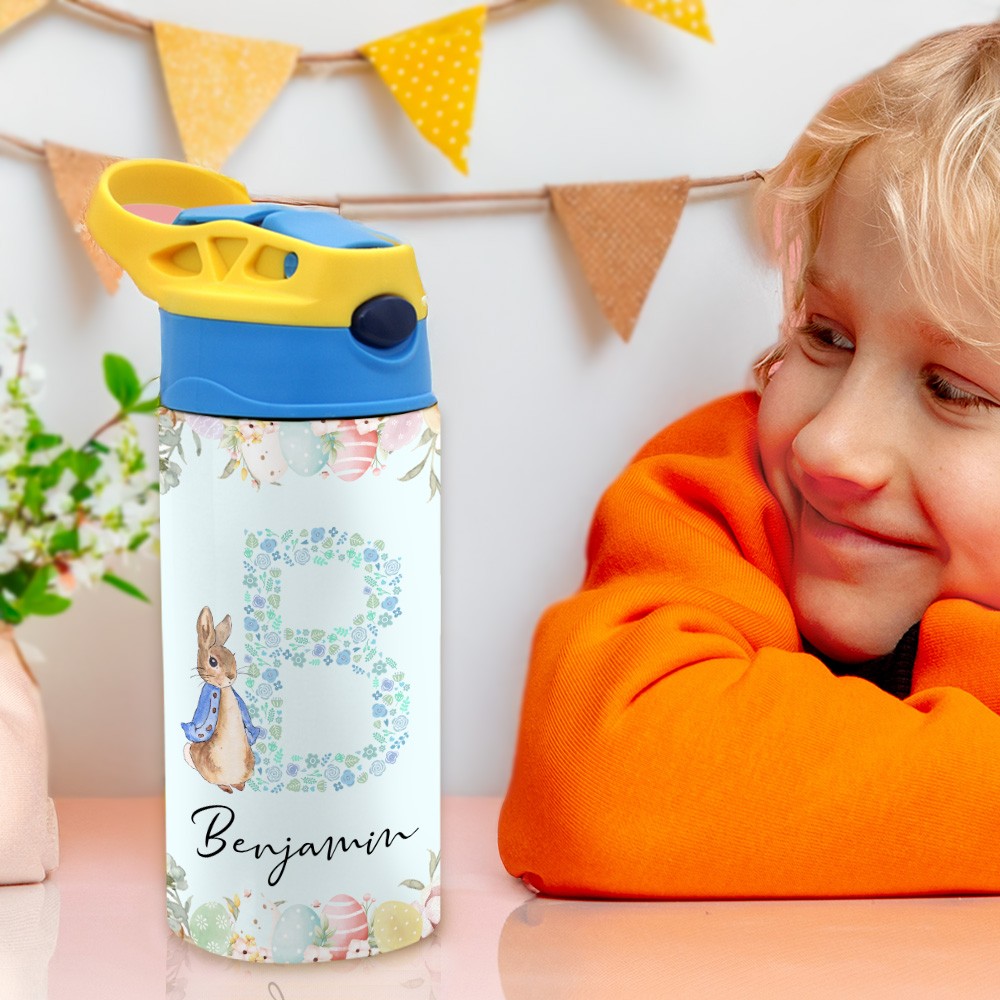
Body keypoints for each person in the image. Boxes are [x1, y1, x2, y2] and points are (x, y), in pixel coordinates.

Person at [498, 22, 1000, 899]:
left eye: (954, 390)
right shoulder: (725, 488)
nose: (828, 444)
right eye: (826, 335)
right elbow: (600, 784)